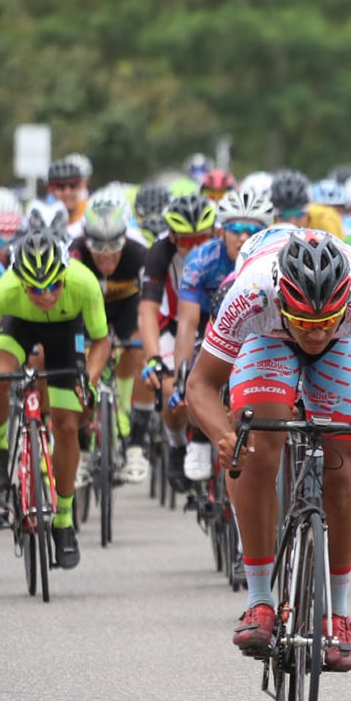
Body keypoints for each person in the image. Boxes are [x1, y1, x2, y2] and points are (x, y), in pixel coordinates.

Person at [186, 230, 351, 673]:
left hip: (346, 350)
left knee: (341, 469)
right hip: (267, 336)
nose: (317, 332)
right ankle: (259, 601)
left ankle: (339, 613)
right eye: (307, 323)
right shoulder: (252, 294)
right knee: (254, 448)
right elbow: (200, 384)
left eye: (327, 321)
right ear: (282, 300)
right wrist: (223, 437)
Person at [0, 228, 111, 569]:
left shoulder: (83, 281)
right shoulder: (5, 290)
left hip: (65, 333)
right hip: (18, 326)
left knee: (67, 426)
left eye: (53, 285)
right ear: (21, 281)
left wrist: (90, 378)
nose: (45, 295)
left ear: (64, 275)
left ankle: (64, 521)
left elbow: (102, 341)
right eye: (35, 288)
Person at [174, 189, 277, 482]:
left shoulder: (273, 260)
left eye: (252, 230)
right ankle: (198, 436)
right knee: (196, 375)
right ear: (221, 231)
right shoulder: (202, 259)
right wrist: (183, 372)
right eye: (235, 229)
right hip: (210, 327)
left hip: (258, 331)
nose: (243, 237)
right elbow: (187, 321)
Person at [69, 193, 152, 484]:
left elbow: (153, 303)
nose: (106, 255)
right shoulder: (74, 251)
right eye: (98, 246)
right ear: (85, 240)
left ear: (125, 239)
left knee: (140, 344)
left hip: (125, 308)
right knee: (79, 366)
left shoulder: (139, 252)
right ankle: (82, 446)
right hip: (88, 308)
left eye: (114, 246)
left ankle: (127, 412)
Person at [138, 193, 216, 489]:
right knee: (172, 391)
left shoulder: (223, 250)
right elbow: (147, 309)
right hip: (174, 325)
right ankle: (176, 443)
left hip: (216, 323)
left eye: (201, 239)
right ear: (171, 236)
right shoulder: (159, 253)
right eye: (186, 241)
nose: (195, 247)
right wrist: (153, 357)